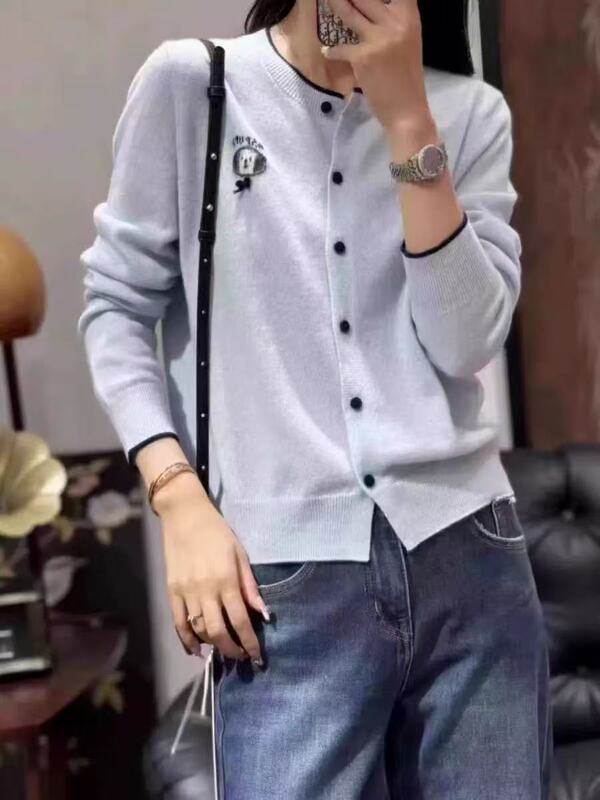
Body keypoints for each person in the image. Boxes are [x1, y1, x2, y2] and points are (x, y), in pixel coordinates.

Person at [78, 0, 553, 796]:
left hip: (470, 559)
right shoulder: (196, 87)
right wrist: (178, 498)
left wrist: (408, 123)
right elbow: (116, 309)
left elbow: (465, 342)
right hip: (283, 583)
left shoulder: (470, 112)